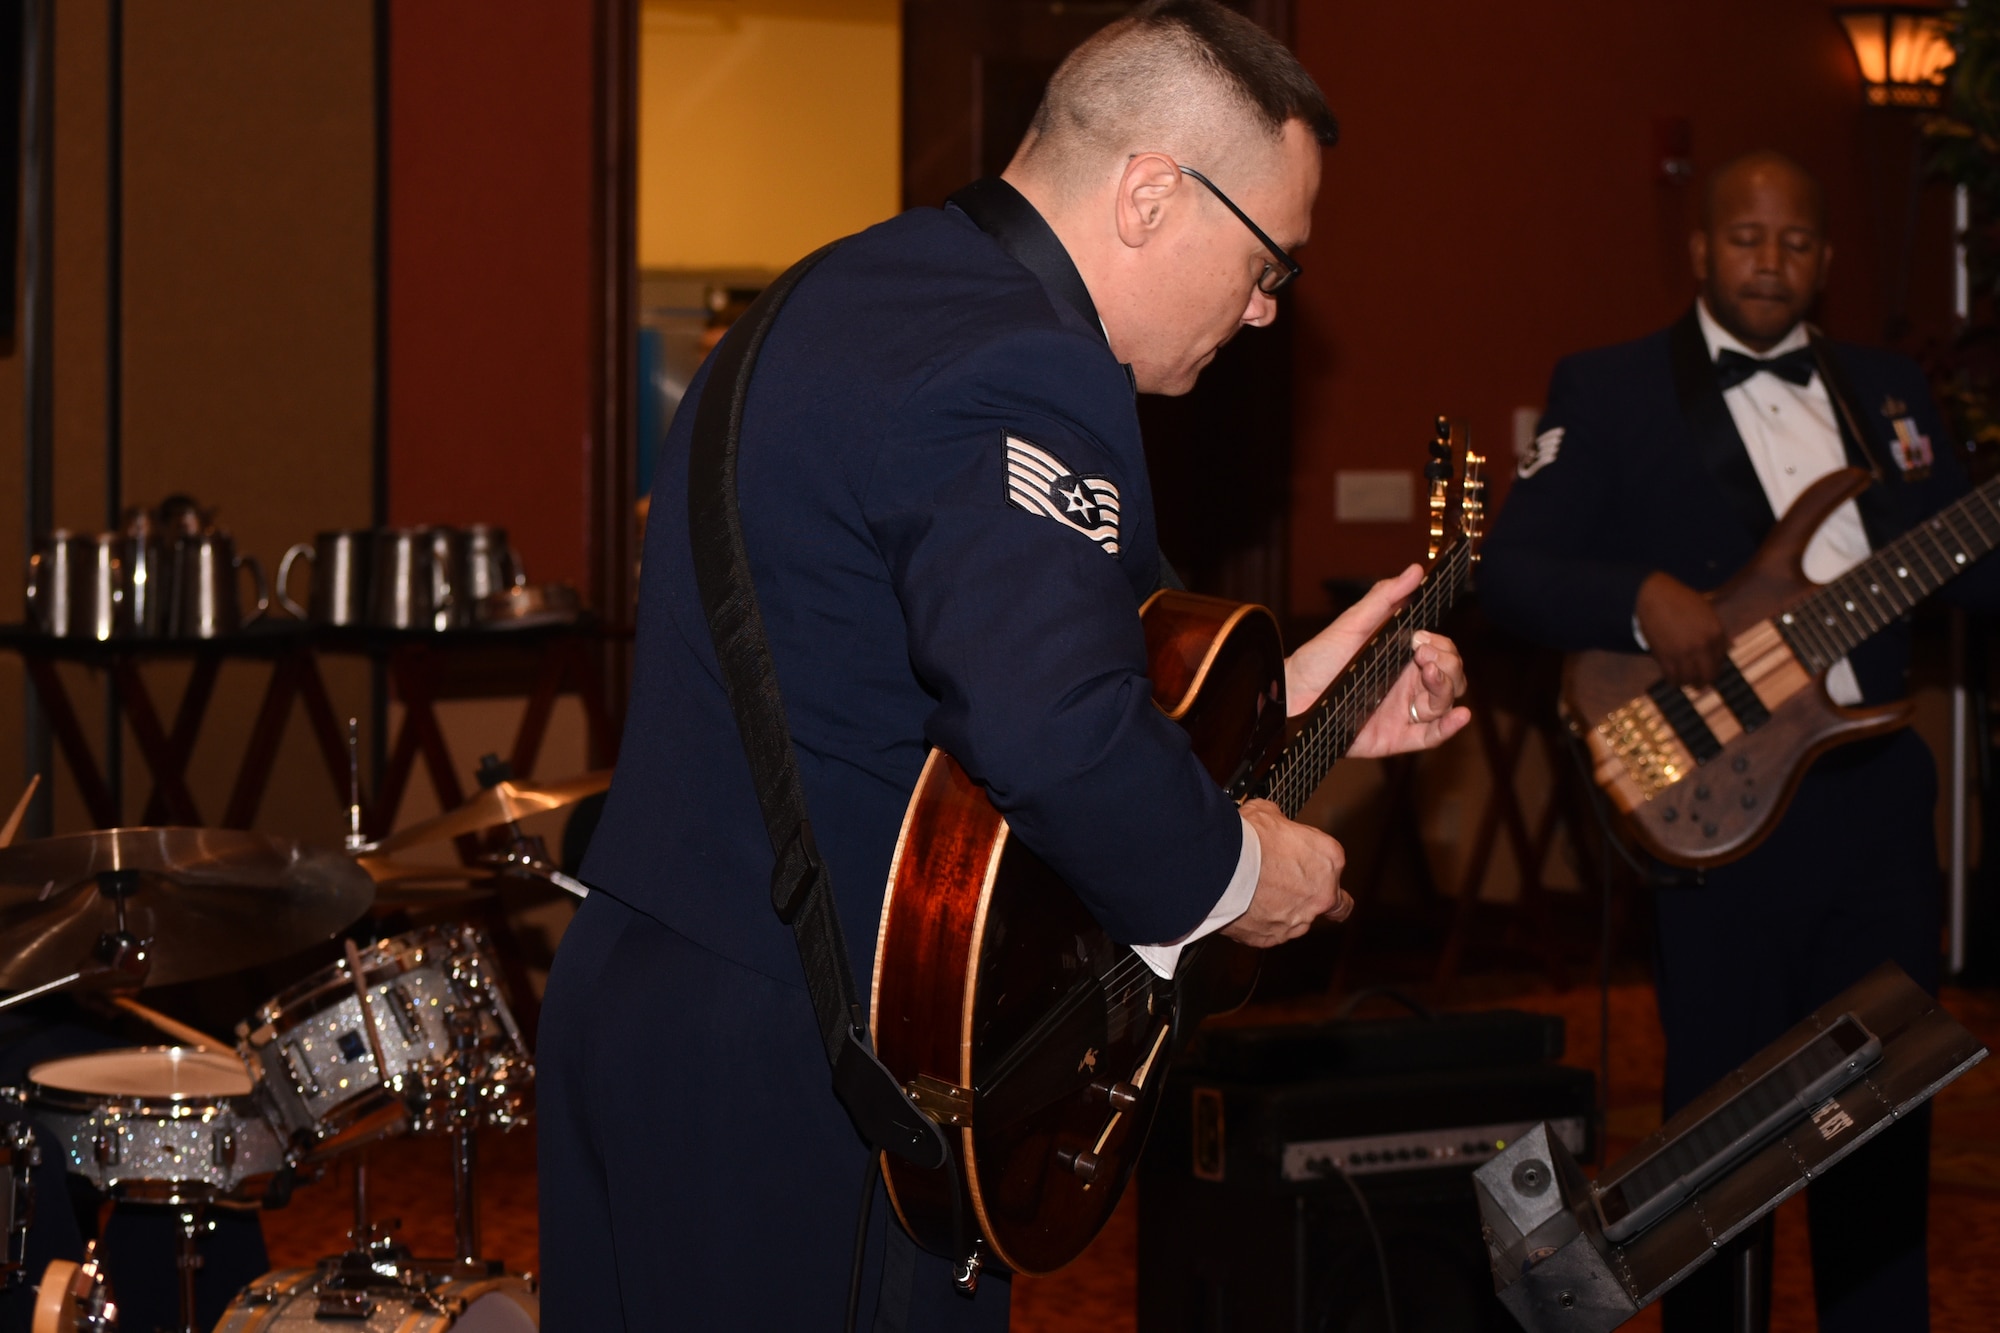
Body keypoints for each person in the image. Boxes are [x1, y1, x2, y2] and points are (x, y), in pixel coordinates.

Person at [537, 2, 1470, 1328]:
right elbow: (1053, 735)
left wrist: (1278, 705)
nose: (1266, 312)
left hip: (653, 991)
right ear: (1153, 194)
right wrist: (1244, 874)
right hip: (816, 1056)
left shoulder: (851, 287)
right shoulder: (1025, 363)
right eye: (1274, 263)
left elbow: (909, 669)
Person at [1480, 150, 2000, 1332]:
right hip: (1716, 806)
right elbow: (1509, 570)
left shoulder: (1888, 391)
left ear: (1824, 259)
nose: (1772, 263)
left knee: (1882, 1111)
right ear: (1700, 250)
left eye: (1796, 243)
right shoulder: (1607, 389)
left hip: (1874, 796)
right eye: (1747, 240)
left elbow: (1965, 568)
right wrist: (1637, 599)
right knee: (1713, 1137)